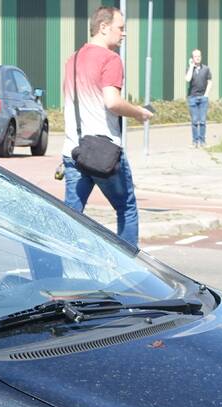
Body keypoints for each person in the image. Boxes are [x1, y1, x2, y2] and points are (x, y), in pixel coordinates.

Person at [61, 6, 153, 247]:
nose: (123, 34)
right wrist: (139, 113)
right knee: (127, 208)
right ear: (103, 27)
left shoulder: (73, 59)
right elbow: (112, 102)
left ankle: (60, 262)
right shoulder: (111, 59)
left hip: (73, 150)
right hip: (104, 152)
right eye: (120, 28)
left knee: (71, 214)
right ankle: (129, 271)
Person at [185, 49, 213, 148]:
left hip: (203, 98)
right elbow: (187, 79)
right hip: (192, 98)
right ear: (192, 58)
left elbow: (210, 82)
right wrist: (192, 66)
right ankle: (195, 141)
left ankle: (202, 141)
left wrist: (206, 94)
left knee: (202, 121)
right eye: (195, 56)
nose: (198, 58)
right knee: (194, 121)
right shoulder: (189, 69)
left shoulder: (206, 69)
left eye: (199, 56)